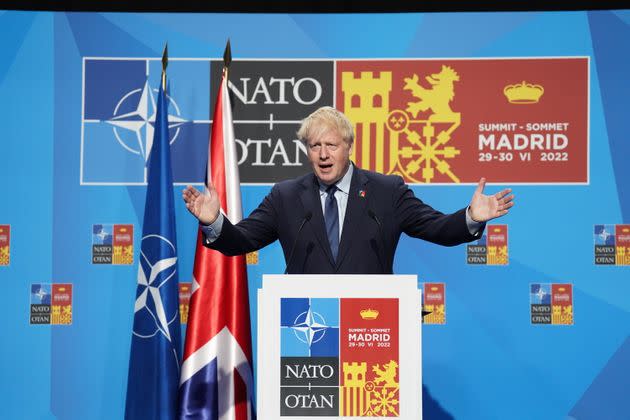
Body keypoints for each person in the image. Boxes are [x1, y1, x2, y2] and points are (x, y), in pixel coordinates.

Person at [182, 106, 514, 274]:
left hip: (371, 327)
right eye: (315, 146)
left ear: (349, 147)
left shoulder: (387, 191)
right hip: (304, 330)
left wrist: (472, 217)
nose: (323, 154)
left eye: (331, 145)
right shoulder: (285, 196)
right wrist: (214, 222)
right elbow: (242, 241)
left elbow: (437, 228)